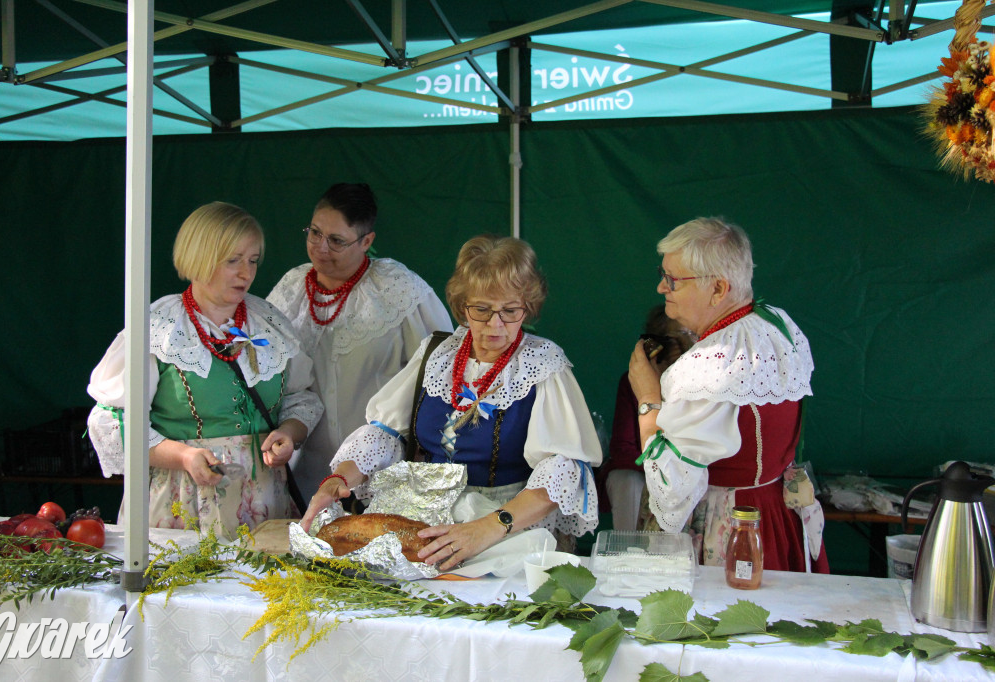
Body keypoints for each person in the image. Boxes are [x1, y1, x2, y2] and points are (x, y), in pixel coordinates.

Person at [300, 234, 602, 571]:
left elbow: (562, 469)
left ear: (527, 306)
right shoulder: (438, 352)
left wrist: (488, 527)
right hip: (421, 519)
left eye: (510, 311)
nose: (495, 324)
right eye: (482, 310)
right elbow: (384, 433)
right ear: (463, 305)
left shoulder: (542, 365)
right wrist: (340, 479)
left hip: (503, 529)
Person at [86, 202, 323, 538]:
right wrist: (183, 456)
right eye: (233, 260)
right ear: (200, 257)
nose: (246, 273)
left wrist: (289, 432)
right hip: (183, 500)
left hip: (264, 501)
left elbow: (301, 397)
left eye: (253, 260)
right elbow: (114, 421)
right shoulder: (159, 329)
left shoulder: (269, 323)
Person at [628, 217, 828, 573]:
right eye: (663, 274)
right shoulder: (777, 324)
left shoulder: (708, 367)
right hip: (776, 512)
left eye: (672, 279)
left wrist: (647, 400)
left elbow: (672, 493)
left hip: (731, 529)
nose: (661, 287)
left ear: (718, 289)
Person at [267, 183, 452, 500]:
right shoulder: (291, 287)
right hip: (303, 471)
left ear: (367, 241)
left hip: (379, 472)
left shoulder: (398, 289)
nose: (321, 248)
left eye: (336, 241)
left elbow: (443, 368)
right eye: (315, 233)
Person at [598, 305, 694, 531]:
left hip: (688, 472)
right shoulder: (633, 380)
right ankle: (627, 547)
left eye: (691, 337)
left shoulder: (703, 384)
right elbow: (623, 449)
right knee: (626, 479)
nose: (683, 346)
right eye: (675, 339)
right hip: (643, 470)